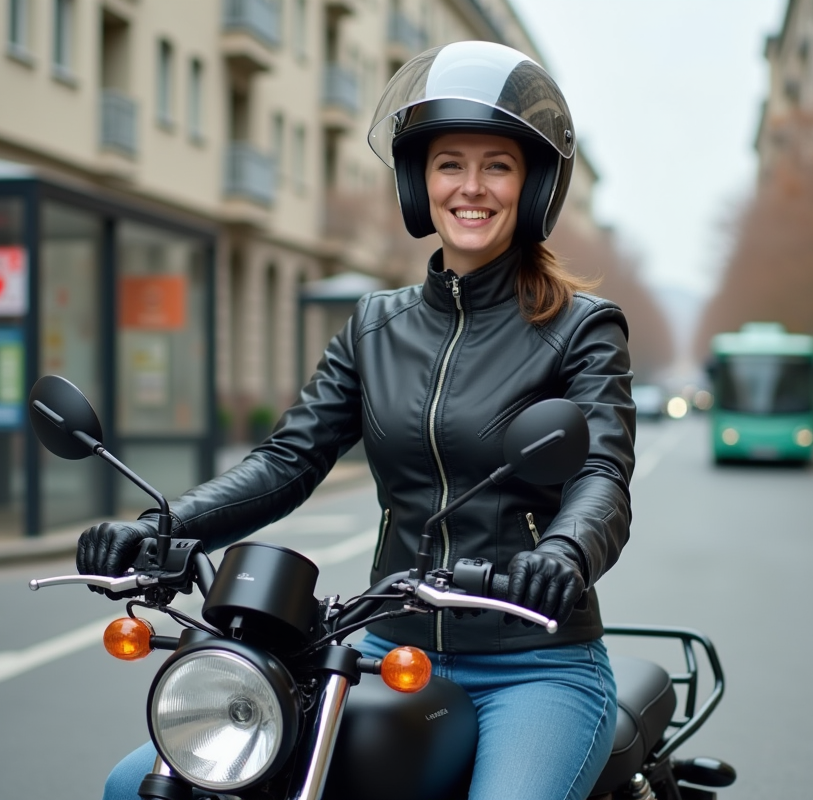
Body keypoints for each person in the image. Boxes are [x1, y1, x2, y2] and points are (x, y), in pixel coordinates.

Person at [78, 40, 635, 800]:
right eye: (449, 164)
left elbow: (602, 472)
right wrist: (165, 525)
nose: (471, 187)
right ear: (419, 181)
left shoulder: (583, 327)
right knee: (144, 785)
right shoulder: (376, 325)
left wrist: (564, 555)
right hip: (380, 652)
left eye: (497, 165)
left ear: (532, 183)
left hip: (531, 662)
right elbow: (287, 460)